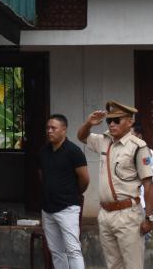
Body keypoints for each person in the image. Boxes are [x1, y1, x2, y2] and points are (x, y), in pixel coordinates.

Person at [77, 101, 153, 269]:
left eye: (117, 120)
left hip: (128, 215)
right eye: (109, 121)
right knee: (113, 265)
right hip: (105, 214)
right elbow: (81, 136)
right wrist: (89, 123)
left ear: (130, 121)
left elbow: (148, 185)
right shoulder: (105, 141)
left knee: (133, 265)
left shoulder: (138, 147)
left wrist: (149, 218)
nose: (112, 124)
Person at [39, 114, 89, 269]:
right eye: (47, 128)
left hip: (68, 208)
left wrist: (73, 193)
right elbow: (42, 176)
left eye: (53, 128)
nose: (49, 131)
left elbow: (84, 179)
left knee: (73, 249)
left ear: (64, 130)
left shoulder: (74, 151)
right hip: (48, 209)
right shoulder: (43, 152)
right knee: (56, 251)